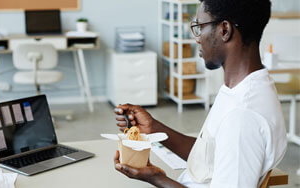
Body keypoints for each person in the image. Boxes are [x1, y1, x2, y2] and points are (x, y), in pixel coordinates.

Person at [113, 0, 287, 187]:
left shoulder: (242, 116)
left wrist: (155, 178)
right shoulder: (244, 87)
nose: (197, 38)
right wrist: (153, 127)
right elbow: (211, 156)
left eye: (199, 27)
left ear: (224, 30)